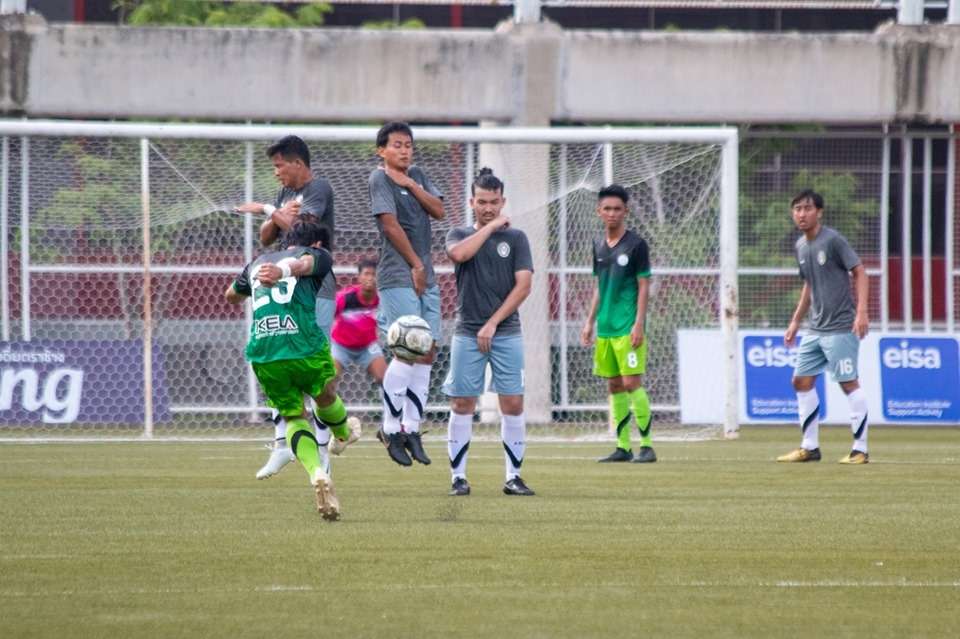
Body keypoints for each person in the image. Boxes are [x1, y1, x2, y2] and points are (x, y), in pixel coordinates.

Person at [225, 218, 357, 520]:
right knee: (325, 396)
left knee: (294, 416)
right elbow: (304, 264)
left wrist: (255, 284)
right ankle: (343, 433)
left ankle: (315, 473)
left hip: (265, 351)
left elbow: (230, 295)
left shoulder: (257, 262)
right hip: (303, 344)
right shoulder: (318, 255)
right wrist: (286, 270)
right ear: (318, 244)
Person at [233, 135, 348, 479]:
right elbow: (268, 237)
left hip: (314, 288)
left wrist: (269, 211)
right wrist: (275, 214)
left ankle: (323, 453)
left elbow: (299, 229)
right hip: (285, 290)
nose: (276, 172)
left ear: (298, 163)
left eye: (279, 165)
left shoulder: (318, 188)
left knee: (314, 369)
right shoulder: (286, 195)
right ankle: (283, 445)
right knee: (279, 357)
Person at [443, 167, 535, 497]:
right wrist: (491, 227)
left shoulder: (517, 239)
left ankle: (513, 477)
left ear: (503, 200)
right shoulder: (458, 234)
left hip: (506, 332)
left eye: (494, 203)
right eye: (482, 202)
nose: (488, 208)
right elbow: (459, 254)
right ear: (471, 201)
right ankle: (458, 478)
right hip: (467, 331)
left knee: (512, 402)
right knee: (463, 403)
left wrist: (494, 322)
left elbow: (524, 286)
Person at [369, 121, 445, 467]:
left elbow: (439, 210)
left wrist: (412, 184)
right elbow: (389, 225)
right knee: (406, 349)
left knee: (427, 351)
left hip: (425, 275)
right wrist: (415, 264)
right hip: (399, 274)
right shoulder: (379, 178)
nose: (405, 150)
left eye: (409, 145)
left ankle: (411, 428)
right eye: (397, 144)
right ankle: (389, 428)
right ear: (381, 150)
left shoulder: (417, 175)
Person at [778, 189, 870, 464]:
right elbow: (809, 284)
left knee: (848, 383)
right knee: (801, 381)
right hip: (815, 329)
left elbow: (860, 271)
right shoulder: (801, 246)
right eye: (797, 209)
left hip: (841, 327)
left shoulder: (833, 240)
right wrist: (796, 320)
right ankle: (809, 447)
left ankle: (860, 450)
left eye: (807, 208)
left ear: (819, 212)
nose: (802, 214)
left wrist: (862, 312)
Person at [580, 185, 656, 464]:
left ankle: (647, 446)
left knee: (632, 382)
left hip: (627, 327)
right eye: (607, 209)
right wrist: (589, 322)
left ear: (626, 211)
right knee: (614, 386)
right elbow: (599, 286)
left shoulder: (636, 245)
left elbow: (644, 285)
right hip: (606, 328)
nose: (612, 213)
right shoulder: (598, 246)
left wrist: (639, 324)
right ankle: (623, 447)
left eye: (617, 209)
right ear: (599, 212)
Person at [330, 258, 387, 386]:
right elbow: (325, 316)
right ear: (359, 277)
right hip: (341, 346)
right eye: (367, 274)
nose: (370, 278)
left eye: (374, 274)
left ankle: (390, 405)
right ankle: (319, 405)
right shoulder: (344, 298)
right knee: (328, 381)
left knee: (385, 379)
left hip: (367, 346)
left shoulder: (382, 299)